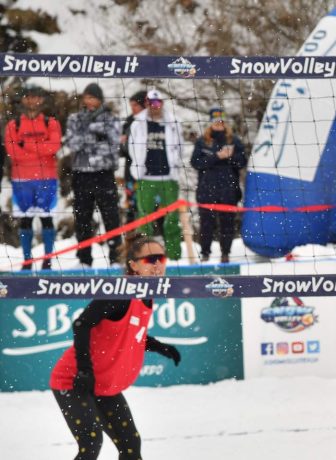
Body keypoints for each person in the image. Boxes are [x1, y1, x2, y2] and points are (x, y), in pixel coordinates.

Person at [49, 233, 181, 460]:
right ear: (133, 265)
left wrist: (160, 347)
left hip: (103, 386)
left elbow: (129, 335)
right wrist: (84, 370)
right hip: (73, 381)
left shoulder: (146, 295)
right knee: (91, 442)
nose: (157, 264)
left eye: (161, 258)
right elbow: (81, 324)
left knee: (131, 447)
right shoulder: (119, 292)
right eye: (150, 259)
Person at [4, 85, 62, 271]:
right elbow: (13, 152)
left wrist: (26, 145)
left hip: (47, 179)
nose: (32, 100)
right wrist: (40, 148)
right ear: (23, 100)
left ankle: (48, 261)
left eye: (36, 97)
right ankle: (27, 261)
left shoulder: (51, 123)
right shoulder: (13, 125)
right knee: (25, 221)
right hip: (22, 180)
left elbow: (54, 147)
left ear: (42, 100)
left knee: (47, 220)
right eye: (28, 97)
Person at [65, 83, 123, 267]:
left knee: (111, 218)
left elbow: (113, 145)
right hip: (81, 175)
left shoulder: (111, 119)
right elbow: (72, 144)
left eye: (93, 97)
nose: (89, 101)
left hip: (104, 175)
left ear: (100, 99)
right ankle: (84, 259)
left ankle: (116, 257)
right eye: (86, 97)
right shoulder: (75, 118)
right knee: (82, 218)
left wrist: (86, 137)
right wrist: (96, 134)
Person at [128, 89, 185, 260]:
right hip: (146, 178)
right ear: (146, 103)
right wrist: (137, 167)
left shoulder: (174, 123)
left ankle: (174, 256)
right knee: (145, 219)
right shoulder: (137, 123)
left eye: (157, 102)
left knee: (172, 218)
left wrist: (175, 164)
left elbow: (180, 147)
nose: (154, 106)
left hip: (168, 178)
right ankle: (146, 255)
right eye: (150, 102)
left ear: (162, 103)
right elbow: (132, 148)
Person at [190, 106, 247, 263]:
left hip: (229, 190)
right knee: (206, 224)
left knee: (227, 224)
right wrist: (216, 156)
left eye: (221, 122)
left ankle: (225, 254)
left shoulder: (234, 141)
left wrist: (229, 157)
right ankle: (205, 253)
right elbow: (195, 163)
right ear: (211, 123)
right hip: (207, 190)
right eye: (216, 122)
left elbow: (242, 162)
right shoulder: (202, 142)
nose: (219, 124)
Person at [120, 90, 147, 224]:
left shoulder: (153, 121)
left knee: (149, 205)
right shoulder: (129, 122)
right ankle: (132, 231)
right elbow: (121, 150)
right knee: (132, 204)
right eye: (131, 105)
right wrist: (123, 144)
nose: (133, 108)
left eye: (135, 105)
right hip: (130, 170)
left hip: (149, 171)